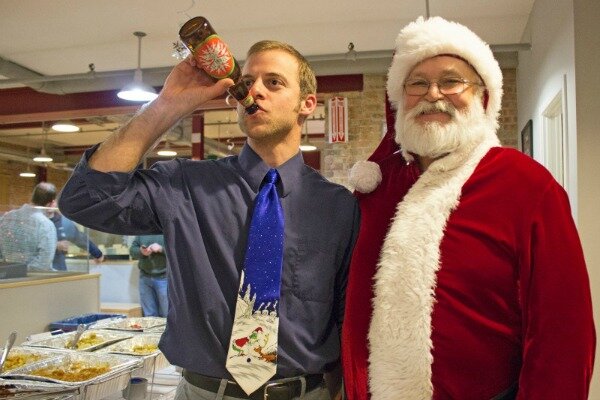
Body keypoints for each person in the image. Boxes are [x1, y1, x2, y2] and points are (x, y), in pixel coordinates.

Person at [59, 40, 359, 399]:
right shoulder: (184, 185)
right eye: (247, 83)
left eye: (274, 82)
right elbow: (85, 199)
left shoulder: (338, 206)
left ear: (307, 104)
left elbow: (348, 313)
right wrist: (168, 104)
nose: (256, 91)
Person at [342, 16, 595, 400]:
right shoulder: (379, 192)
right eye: (417, 83)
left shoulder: (527, 186)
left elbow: (562, 335)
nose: (432, 94)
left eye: (450, 80)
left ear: (483, 96)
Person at [38, 183, 104, 271]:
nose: (51, 204)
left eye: (53, 200)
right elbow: (27, 246)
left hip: (58, 272)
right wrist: (55, 245)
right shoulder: (35, 221)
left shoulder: (64, 222)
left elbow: (80, 239)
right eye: (47, 201)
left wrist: (97, 254)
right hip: (36, 272)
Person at [0, 182, 57, 271]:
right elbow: (44, 263)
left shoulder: (6, 217)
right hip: (33, 280)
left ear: (32, 197)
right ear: (52, 203)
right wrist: (23, 271)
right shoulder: (45, 224)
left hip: (7, 276)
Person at [129, 235, 168, 318]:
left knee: (167, 313)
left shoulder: (168, 228)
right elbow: (132, 250)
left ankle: (168, 331)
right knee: (149, 316)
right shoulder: (143, 231)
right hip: (144, 277)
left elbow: (177, 251)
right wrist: (141, 252)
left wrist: (161, 249)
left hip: (164, 277)